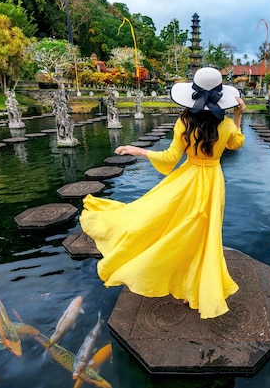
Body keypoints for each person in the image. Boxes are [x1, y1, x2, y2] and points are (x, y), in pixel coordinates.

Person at [80, 67, 246, 319]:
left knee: (171, 225)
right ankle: (196, 282)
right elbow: (236, 143)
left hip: (187, 179)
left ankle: (174, 273)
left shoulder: (184, 123)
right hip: (212, 182)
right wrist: (238, 115)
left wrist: (140, 151)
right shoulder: (225, 126)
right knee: (205, 233)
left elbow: (169, 159)